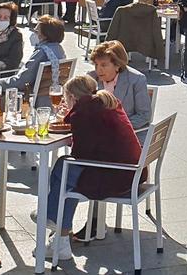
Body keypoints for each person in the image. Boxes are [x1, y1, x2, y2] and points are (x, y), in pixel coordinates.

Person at [44, 75, 142, 261]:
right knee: (64, 168)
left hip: (115, 176)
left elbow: (82, 154)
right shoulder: (105, 102)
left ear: (72, 97)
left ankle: (52, 219)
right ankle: (59, 235)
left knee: (64, 171)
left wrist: (71, 119)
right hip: (132, 171)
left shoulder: (83, 113)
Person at [0, 15, 66, 104]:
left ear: (44, 35)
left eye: (36, 31)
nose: (33, 33)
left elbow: (21, 81)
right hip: (52, 97)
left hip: (34, 100)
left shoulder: (42, 52)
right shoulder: (59, 49)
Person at [88, 40, 151, 131]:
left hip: (127, 133)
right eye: (96, 65)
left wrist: (115, 126)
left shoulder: (136, 80)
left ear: (117, 65)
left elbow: (144, 115)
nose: (98, 70)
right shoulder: (91, 78)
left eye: (103, 65)